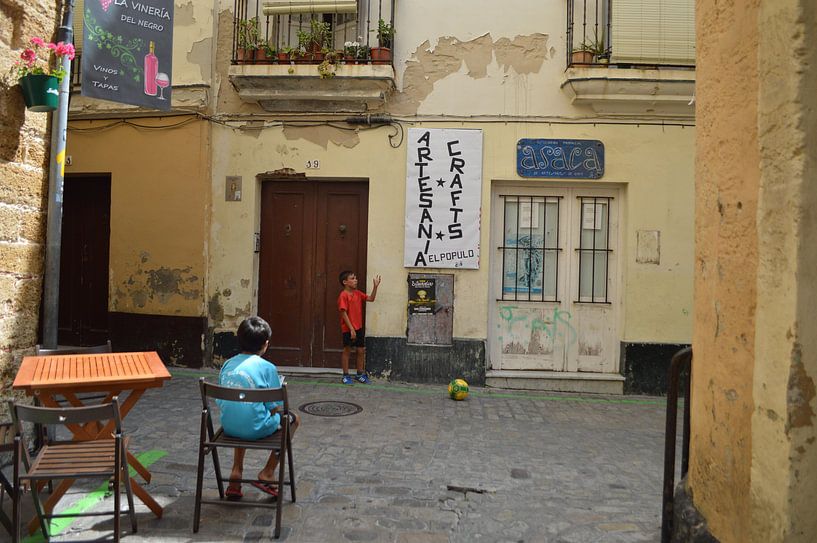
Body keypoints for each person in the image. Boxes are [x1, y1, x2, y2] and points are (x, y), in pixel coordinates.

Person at [218, 316, 300, 500]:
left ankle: (235, 474)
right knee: (293, 419)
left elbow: (222, 400)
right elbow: (274, 407)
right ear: (266, 344)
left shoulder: (226, 365)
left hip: (229, 427)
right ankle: (268, 472)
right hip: (256, 429)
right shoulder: (267, 368)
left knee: (242, 411)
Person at [338, 271, 381, 384]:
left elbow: (371, 298)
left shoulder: (357, 293)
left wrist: (375, 287)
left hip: (359, 327)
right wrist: (351, 329)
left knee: (361, 350)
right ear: (345, 282)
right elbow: (343, 312)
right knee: (347, 350)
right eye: (352, 278)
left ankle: (359, 374)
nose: (355, 280)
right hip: (348, 328)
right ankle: (345, 376)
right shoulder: (343, 295)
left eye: (355, 278)